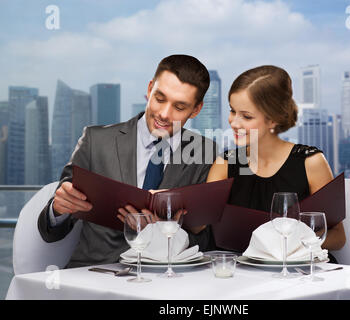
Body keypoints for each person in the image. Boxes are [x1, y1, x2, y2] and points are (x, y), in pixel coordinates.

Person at [38, 54, 218, 268]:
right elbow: (50, 232)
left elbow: (208, 242)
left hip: (167, 281)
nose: (164, 114)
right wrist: (57, 210)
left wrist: (166, 231)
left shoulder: (206, 152)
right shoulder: (96, 141)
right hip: (95, 276)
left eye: (179, 107)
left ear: (196, 109)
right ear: (150, 89)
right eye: (160, 98)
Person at [206, 65, 346, 260]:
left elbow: (338, 237)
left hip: (300, 274)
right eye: (232, 111)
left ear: (273, 120)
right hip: (244, 275)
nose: (234, 123)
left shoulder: (310, 162)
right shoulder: (225, 163)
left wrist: (294, 242)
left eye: (246, 116)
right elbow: (200, 223)